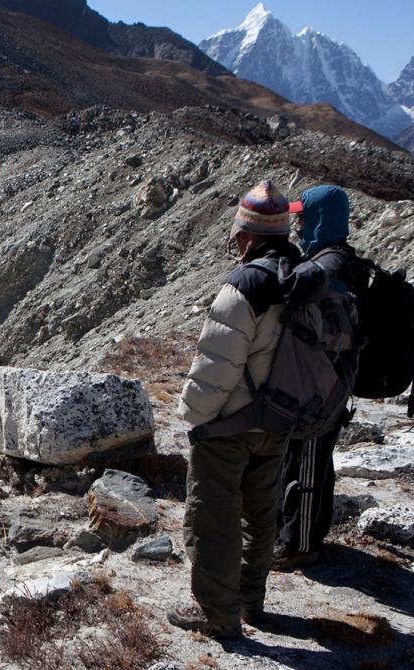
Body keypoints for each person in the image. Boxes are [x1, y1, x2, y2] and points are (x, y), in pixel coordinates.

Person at [169, 180, 301, 638]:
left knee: (213, 518)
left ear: (246, 233)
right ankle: (251, 601)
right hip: (282, 420)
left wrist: (195, 416)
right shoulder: (303, 276)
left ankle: (216, 615)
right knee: (260, 515)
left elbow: (218, 363)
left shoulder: (246, 284)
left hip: (231, 423)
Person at [274, 185, 369, 569]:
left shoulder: (331, 265)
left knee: (310, 459)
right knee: (305, 457)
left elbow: (296, 287)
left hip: (324, 382)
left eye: (302, 219)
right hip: (322, 376)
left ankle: (302, 544)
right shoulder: (336, 258)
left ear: (320, 219)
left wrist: (277, 264)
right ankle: (292, 532)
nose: (298, 226)